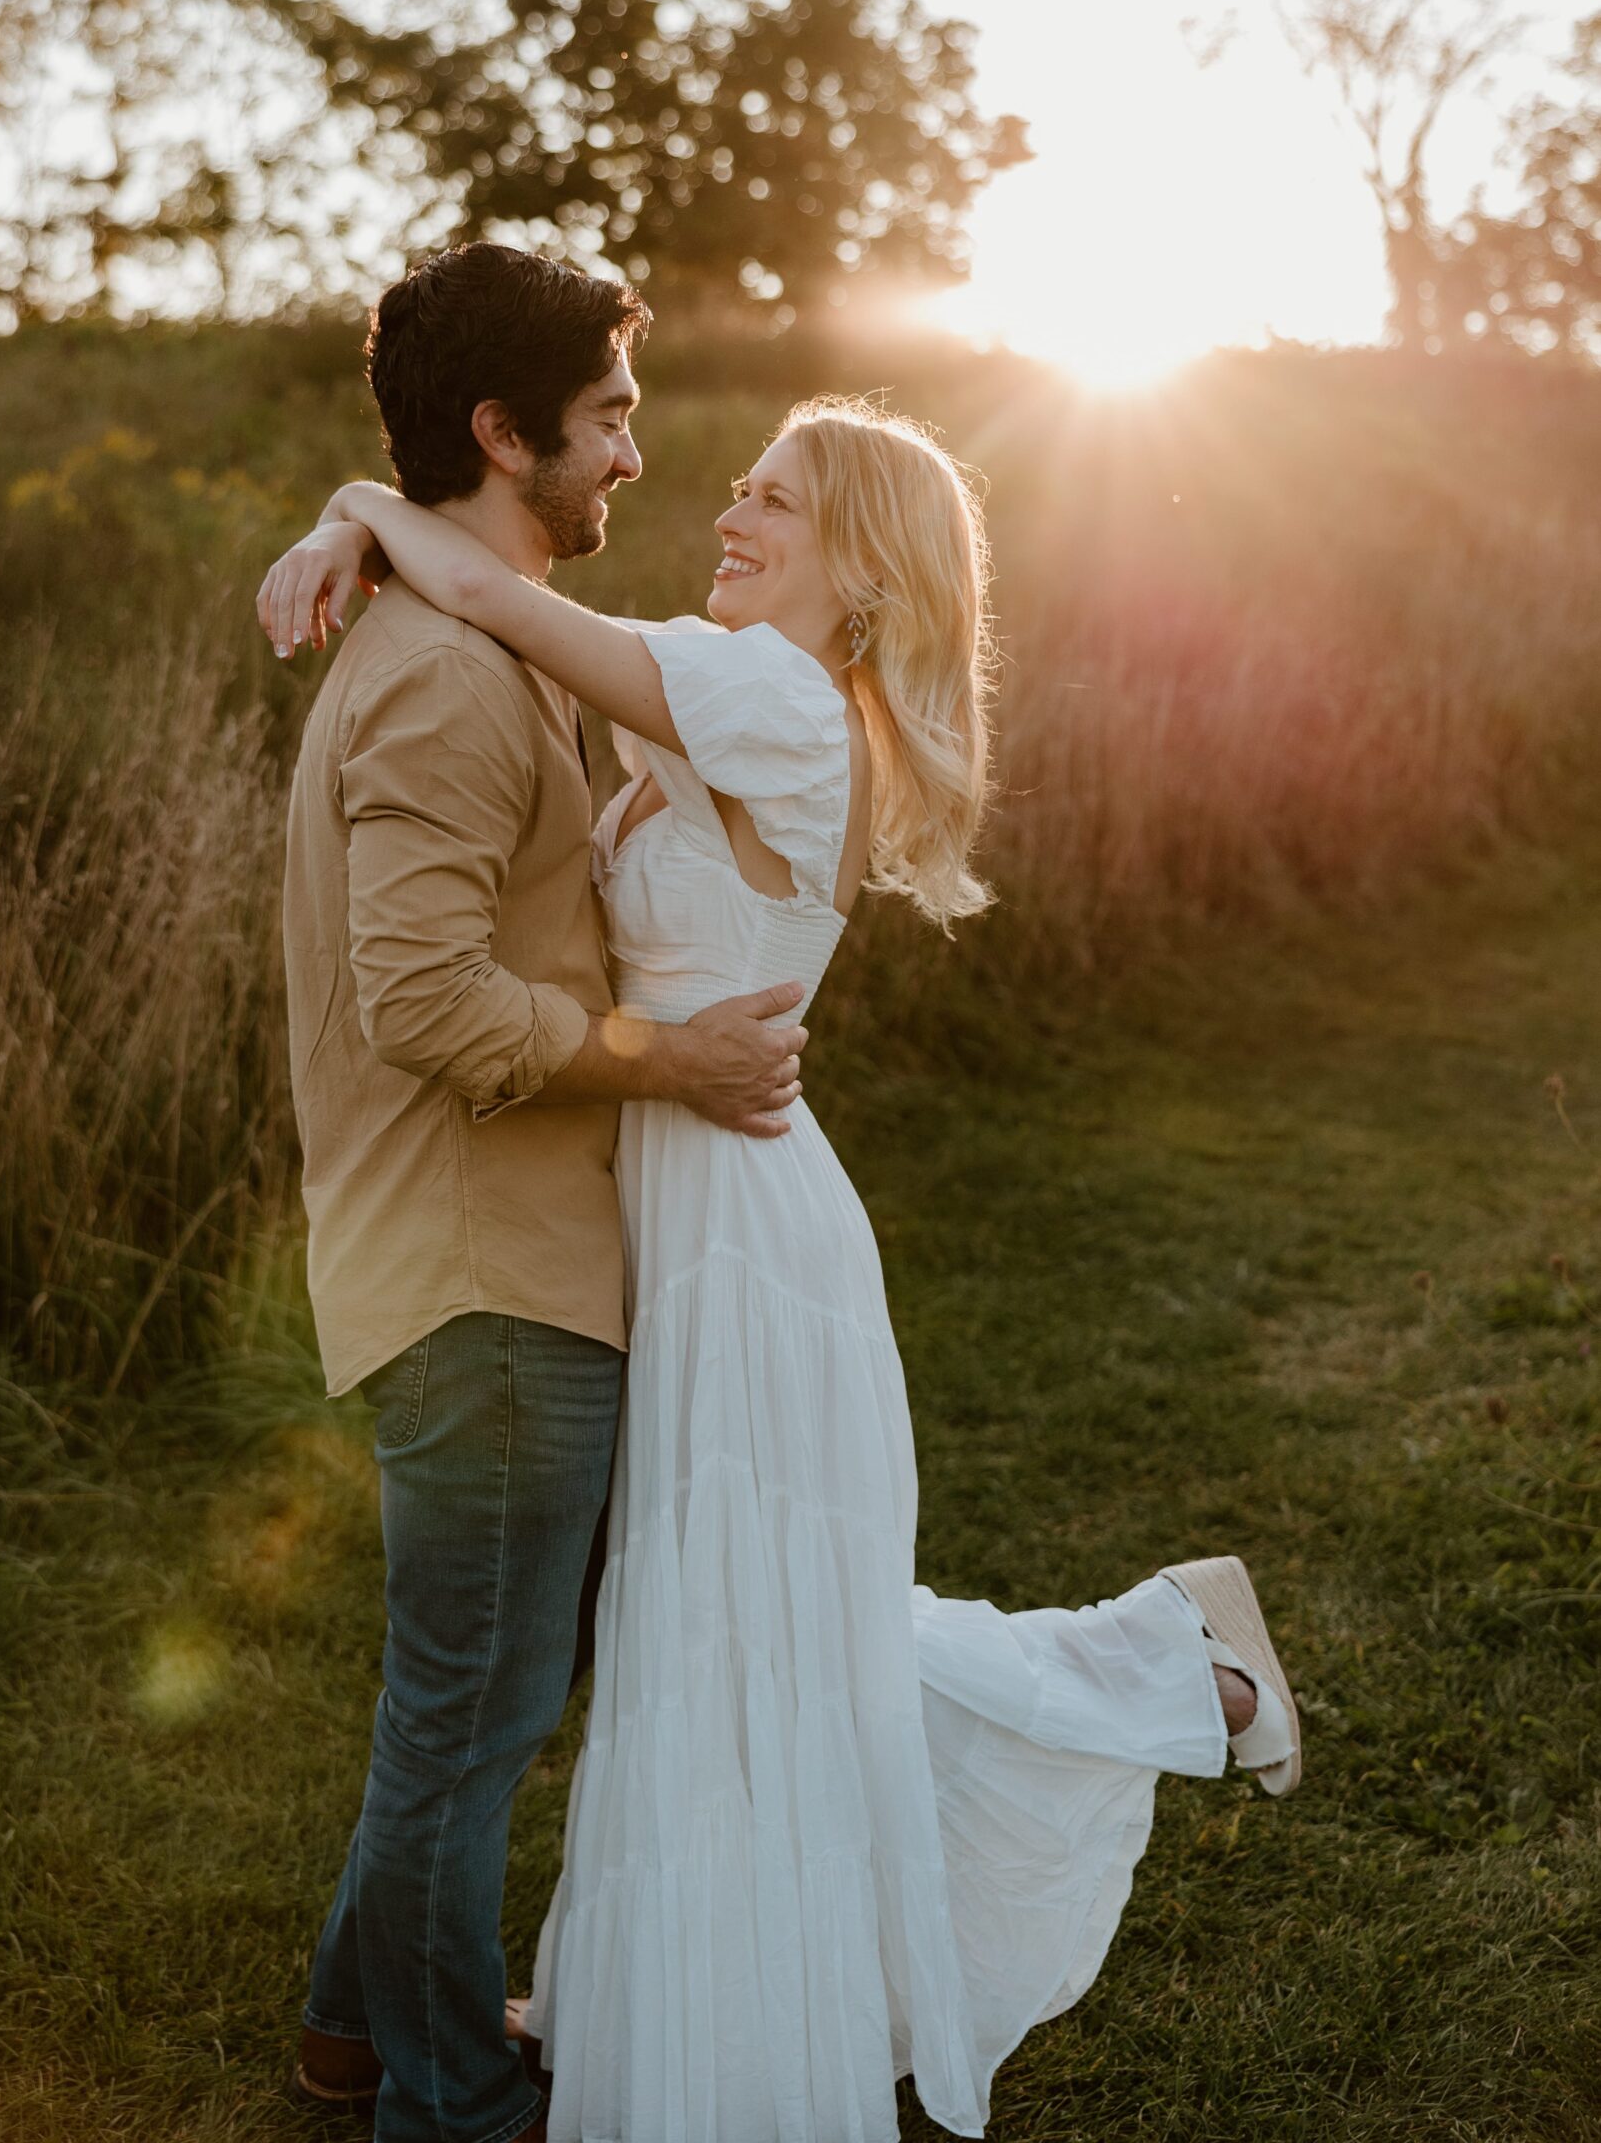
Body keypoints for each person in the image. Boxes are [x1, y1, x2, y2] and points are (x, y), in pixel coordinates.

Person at [260, 363, 1303, 2142]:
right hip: (677, 1193)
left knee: (743, 1627)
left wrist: (355, 511)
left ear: (868, 577)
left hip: (736, 1223)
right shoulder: (738, 701)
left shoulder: (771, 698)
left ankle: (1163, 1664)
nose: (727, 516)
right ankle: (498, 2006)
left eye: (775, 503)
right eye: (734, 491)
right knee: (731, 1626)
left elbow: (504, 597)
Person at [270, 243, 814, 2142]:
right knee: (471, 1726)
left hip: (514, 1267)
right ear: (506, 436)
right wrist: (668, 1057)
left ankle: (358, 2033)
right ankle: (455, 2103)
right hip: (482, 1284)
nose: (637, 462)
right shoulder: (441, 679)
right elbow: (414, 995)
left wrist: (359, 514)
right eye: (610, 422)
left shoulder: (474, 639)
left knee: (462, 1704)